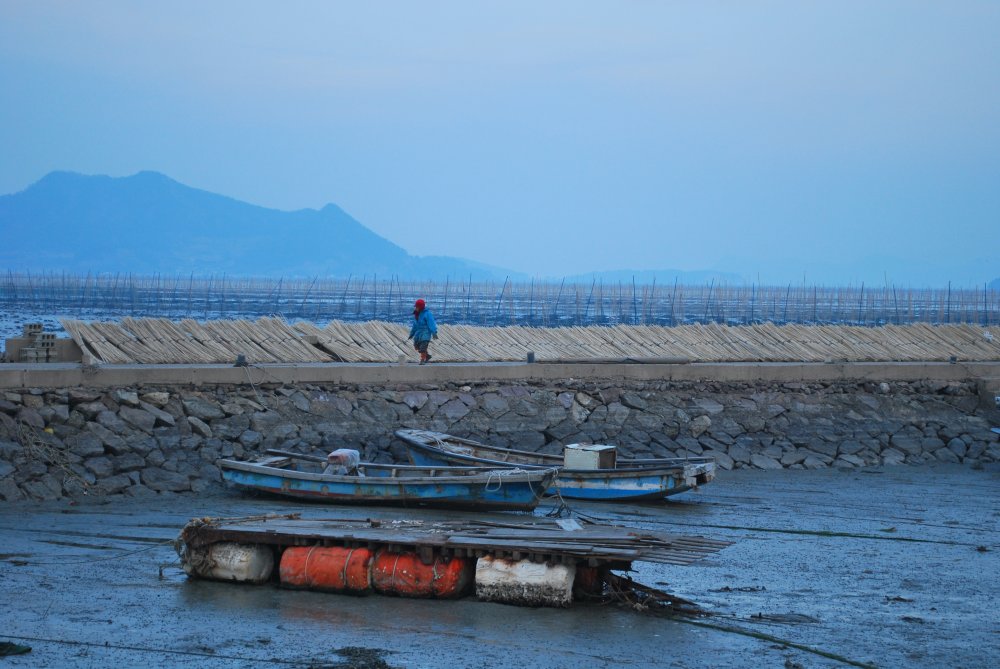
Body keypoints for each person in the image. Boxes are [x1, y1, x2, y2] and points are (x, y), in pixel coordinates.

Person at [407, 298, 438, 364]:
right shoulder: (417, 315)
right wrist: (411, 334)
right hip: (418, 333)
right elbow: (415, 326)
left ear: (421, 307)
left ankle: (422, 360)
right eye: (416, 307)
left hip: (425, 333)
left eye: (417, 307)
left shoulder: (427, 314)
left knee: (423, 347)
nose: (416, 308)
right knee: (416, 346)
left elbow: (431, 323)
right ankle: (427, 356)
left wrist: (434, 332)